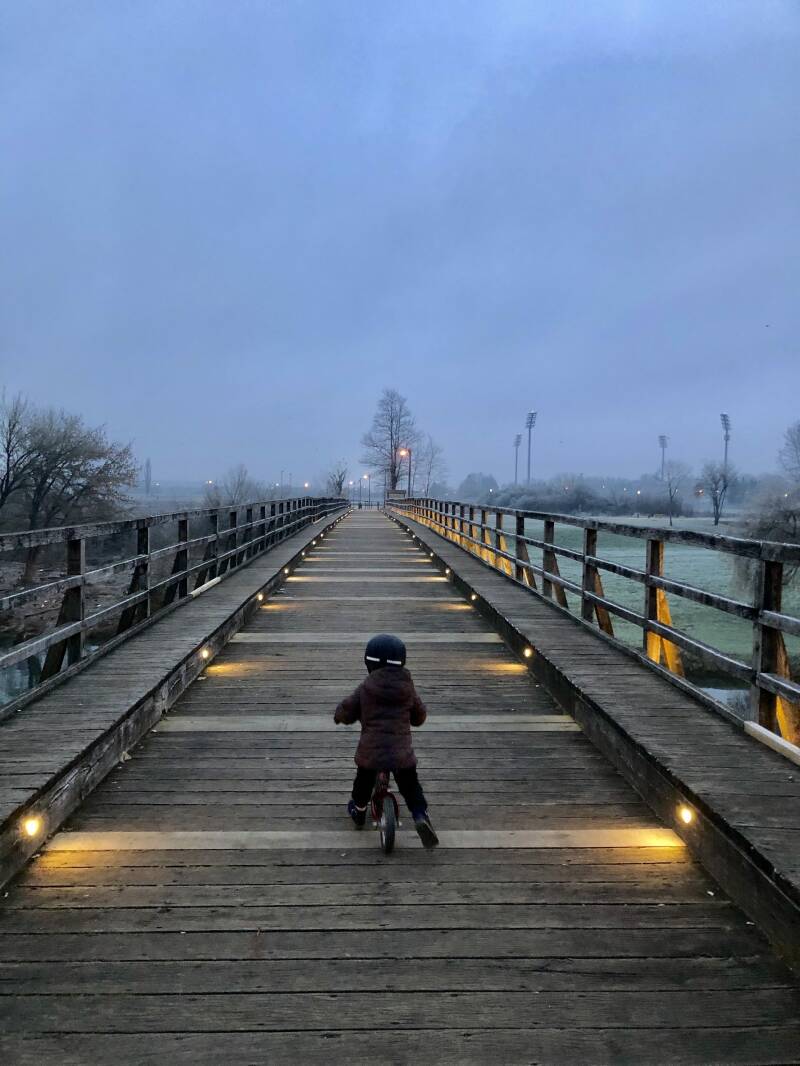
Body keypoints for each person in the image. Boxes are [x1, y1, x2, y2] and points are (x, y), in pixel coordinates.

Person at [333, 633, 439, 848]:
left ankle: (359, 810)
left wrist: (339, 716)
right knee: (411, 787)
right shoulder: (407, 688)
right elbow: (419, 715)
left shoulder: (366, 688)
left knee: (363, 784)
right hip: (401, 755)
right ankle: (420, 815)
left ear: (369, 663)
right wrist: (415, 718)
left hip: (371, 754)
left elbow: (348, 709)